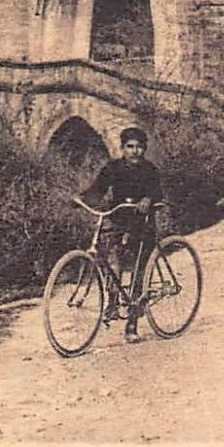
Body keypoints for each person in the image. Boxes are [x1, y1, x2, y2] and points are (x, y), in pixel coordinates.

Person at [84, 126, 164, 342]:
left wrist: (148, 199)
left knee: (139, 270)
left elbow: (157, 192)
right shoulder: (113, 168)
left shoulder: (150, 170)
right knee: (111, 257)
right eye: (130, 147)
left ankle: (132, 326)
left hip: (142, 222)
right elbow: (98, 189)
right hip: (119, 217)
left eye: (139, 147)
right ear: (122, 148)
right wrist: (82, 199)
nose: (134, 151)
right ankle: (112, 300)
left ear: (144, 149)